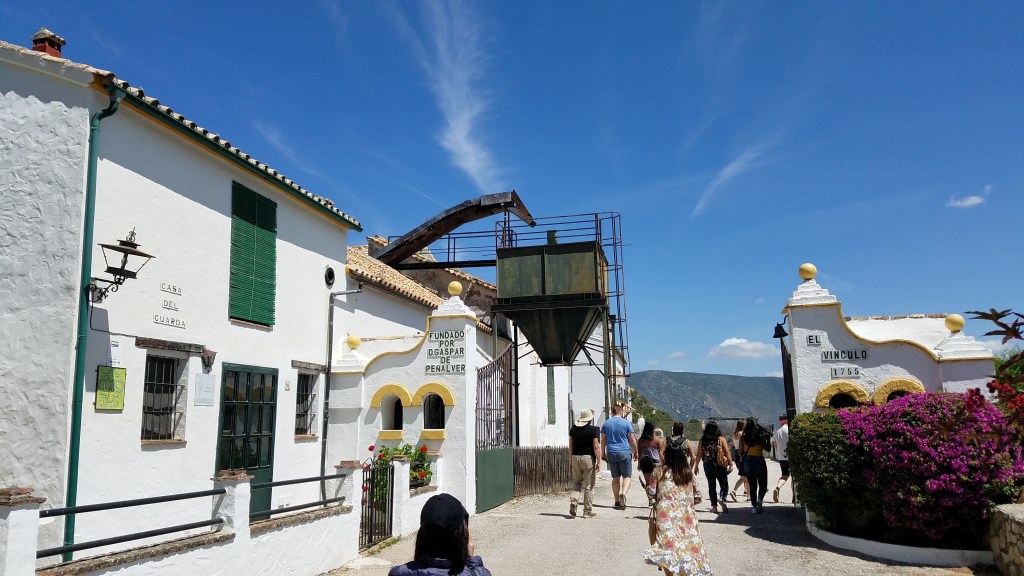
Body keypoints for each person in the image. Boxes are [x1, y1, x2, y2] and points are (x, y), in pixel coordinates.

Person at [642, 437, 713, 576]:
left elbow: (651, 493)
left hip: (665, 516)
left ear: (667, 456)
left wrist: (650, 490)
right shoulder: (688, 473)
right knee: (687, 547)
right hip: (687, 517)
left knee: (667, 547)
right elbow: (698, 496)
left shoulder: (658, 471)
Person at [389, 493, 492, 576]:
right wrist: (473, 563)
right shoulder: (476, 573)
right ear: (463, 537)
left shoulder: (398, 573)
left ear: (422, 536)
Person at [601, 403, 638, 509]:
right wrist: (636, 451)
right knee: (627, 476)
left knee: (615, 478)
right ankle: (624, 494)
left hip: (611, 452)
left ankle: (617, 501)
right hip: (624, 452)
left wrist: (603, 453)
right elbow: (632, 439)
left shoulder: (606, 424)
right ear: (621, 412)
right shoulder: (626, 423)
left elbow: (603, 440)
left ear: (612, 412)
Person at [567, 408, 601, 517]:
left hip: (575, 457)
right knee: (589, 486)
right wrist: (599, 461)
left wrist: (571, 460)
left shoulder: (573, 429)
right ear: (590, 419)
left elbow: (571, 446)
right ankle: (587, 511)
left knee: (577, 482)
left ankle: (574, 501)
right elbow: (596, 446)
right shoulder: (593, 430)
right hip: (587, 459)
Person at [697, 421, 733, 513]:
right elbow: (727, 452)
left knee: (711, 485)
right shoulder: (720, 439)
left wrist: (696, 466)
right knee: (723, 483)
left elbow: (699, 454)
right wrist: (730, 463)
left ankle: (714, 507)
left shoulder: (703, 440)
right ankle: (722, 498)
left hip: (707, 465)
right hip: (719, 465)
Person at [739, 417, 771, 514]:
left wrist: (743, 457)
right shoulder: (760, 435)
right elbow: (768, 449)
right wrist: (768, 439)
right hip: (759, 459)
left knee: (752, 485)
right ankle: (760, 499)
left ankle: (754, 507)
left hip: (748, 461)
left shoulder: (744, 436)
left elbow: (740, 451)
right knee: (763, 483)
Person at [637, 421, 666, 505]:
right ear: (652, 429)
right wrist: (663, 464)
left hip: (644, 461)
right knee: (656, 482)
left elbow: (639, 452)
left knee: (648, 482)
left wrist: (639, 464)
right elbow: (661, 452)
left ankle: (650, 500)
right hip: (655, 462)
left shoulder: (641, 440)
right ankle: (656, 499)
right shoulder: (657, 439)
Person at [728, 420, 749, 503]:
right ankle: (743, 492)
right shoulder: (742, 434)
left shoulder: (734, 434)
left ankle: (747, 492)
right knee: (745, 475)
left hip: (736, 453)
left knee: (743, 475)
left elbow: (734, 445)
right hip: (741, 453)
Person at [772, 415, 791, 504]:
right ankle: (794, 497)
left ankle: (778, 487)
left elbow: (775, 446)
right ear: (787, 420)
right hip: (791, 457)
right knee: (794, 478)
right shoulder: (789, 430)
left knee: (784, 475)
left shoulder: (777, 432)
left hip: (781, 457)